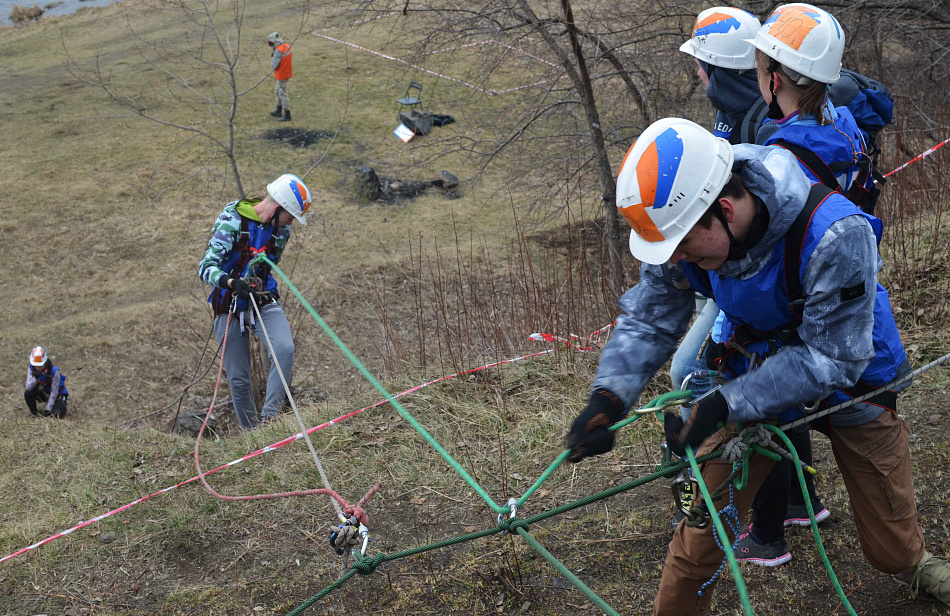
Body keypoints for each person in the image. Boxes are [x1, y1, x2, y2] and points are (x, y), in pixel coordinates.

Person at [564, 116, 950, 613]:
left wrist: (727, 403)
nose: (675, 261)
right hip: (755, 370)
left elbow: (835, 358)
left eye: (683, 248)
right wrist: (609, 395)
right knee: (701, 536)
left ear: (724, 209)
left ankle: (914, 561)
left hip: (854, 374)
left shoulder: (836, 233)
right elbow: (652, 316)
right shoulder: (682, 228)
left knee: (889, 547)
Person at [198, 174, 312, 430]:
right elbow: (206, 268)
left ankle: (270, 421)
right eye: (290, 215)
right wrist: (230, 282)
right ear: (277, 207)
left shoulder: (282, 231)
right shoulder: (232, 220)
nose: (291, 221)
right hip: (228, 302)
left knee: (284, 349)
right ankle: (253, 436)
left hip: (260, 297)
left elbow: (274, 260)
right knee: (239, 378)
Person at [24, 346, 68, 418]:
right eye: (36, 365)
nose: (38, 368)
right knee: (27, 394)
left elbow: (54, 391)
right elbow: (29, 387)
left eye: (40, 365)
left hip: (57, 395)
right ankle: (35, 414)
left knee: (58, 414)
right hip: (44, 392)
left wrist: (48, 410)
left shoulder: (54, 371)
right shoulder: (31, 369)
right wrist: (37, 377)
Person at [268, 32, 292, 122]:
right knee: (277, 91)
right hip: (287, 73)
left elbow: (274, 66)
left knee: (282, 93)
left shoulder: (278, 50)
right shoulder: (286, 46)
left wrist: (273, 57)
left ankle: (287, 114)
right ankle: (278, 110)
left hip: (281, 75)